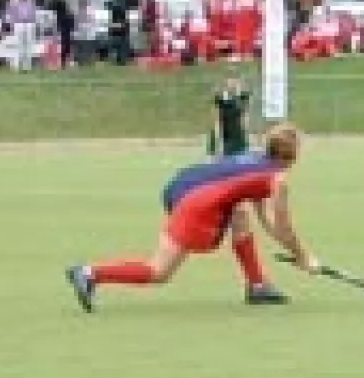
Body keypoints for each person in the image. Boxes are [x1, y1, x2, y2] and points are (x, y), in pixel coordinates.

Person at [64, 123, 310, 311]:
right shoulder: (277, 179)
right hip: (195, 205)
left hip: (182, 188)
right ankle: (88, 273)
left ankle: (257, 285)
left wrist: (299, 254)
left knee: (239, 213)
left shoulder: (255, 158)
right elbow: (283, 227)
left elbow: (266, 220)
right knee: (159, 271)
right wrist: (303, 257)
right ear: (293, 156)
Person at [5, 0, 38, 71]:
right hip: (18, 23)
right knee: (18, 45)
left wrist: (33, 23)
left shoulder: (31, 1)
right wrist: (12, 25)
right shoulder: (13, 1)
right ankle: (17, 65)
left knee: (28, 45)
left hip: (29, 24)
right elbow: (10, 14)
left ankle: (27, 66)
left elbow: (34, 13)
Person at [50, 0, 75, 69]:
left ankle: (65, 62)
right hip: (63, 26)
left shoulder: (64, 6)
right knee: (65, 45)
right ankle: (63, 62)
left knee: (66, 45)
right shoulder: (60, 5)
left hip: (65, 26)